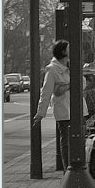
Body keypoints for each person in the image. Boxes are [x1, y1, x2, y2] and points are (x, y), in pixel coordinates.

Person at [33, 39, 72, 171]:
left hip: (78, 109)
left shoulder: (72, 66)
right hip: (64, 109)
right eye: (69, 48)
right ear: (63, 51)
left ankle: (79, 166)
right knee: (66, 141)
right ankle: (68, 169)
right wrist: (41, 113)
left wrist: (64, 86)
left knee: (79, 140)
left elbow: (82, 83)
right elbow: (47, 92)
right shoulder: (52, 69)